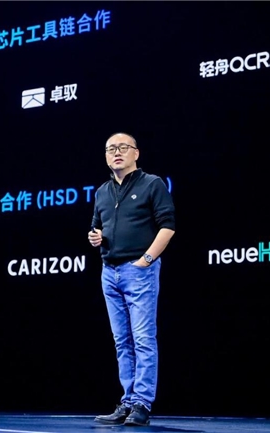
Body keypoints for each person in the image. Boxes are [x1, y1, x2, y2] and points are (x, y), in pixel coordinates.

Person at [88, 132, 176, 427]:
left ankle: (142, 403)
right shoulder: (102, 191)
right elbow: (96, 228)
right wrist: (95, 237)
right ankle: (127, 401)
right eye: (110, 148)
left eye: (123, 147)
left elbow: (167, 226)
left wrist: (146, 260)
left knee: (143, 339)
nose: (116, 152)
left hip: (138, 270)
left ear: (136, 153)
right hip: (109, 272)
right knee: (122, 341)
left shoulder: (152, 184)